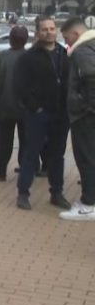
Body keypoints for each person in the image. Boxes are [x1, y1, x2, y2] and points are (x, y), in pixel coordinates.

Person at [14, 16, 72, 211]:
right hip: (37, 115)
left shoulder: (64, 54)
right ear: (38, 33)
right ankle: (23, 193)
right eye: (45, 29)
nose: (49, 32)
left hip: (60, 114)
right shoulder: (28, 57)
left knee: (57, 155)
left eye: (52, 29)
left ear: (57, 31)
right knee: (31, 154)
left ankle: (57, 192)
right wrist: (35, 107)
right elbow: (20, 86)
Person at [0, 26, 29, 181]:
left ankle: (0, 171)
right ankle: (25, 169)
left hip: (3, 106)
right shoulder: (32, 57)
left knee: (4, 141)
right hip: (27, 108)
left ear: (10, 39)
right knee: (26, 140)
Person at [64, 21, 95, 220]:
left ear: (76, 33)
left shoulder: (82, 51)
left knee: (86, 158)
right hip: (87, 112)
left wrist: (86, 107)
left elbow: (91, 79)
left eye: (66, 37)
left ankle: (88, 204)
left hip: (85, 116)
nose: (66, 42)